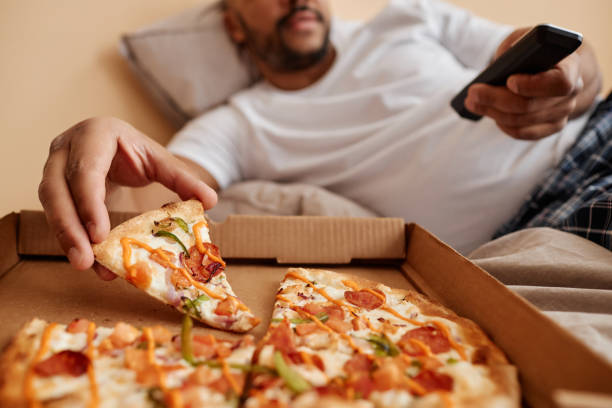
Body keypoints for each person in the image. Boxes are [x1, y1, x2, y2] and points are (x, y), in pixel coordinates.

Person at [38, 0, 609, 280]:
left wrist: (574, 79)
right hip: (538, 229)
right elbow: (170, 179)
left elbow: (544, 48)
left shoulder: (409, 18)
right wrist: (111, 150)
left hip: (597, 134)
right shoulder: (238, 122)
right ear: (234, 24)